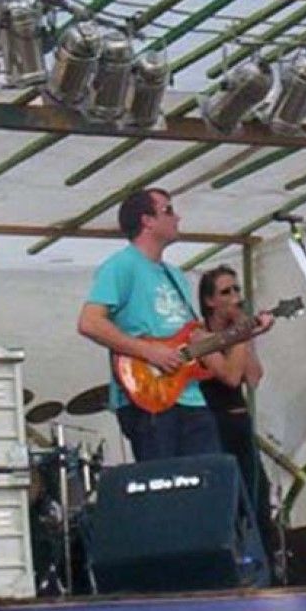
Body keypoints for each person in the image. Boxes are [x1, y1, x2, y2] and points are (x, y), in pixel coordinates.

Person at [78, 187, 223, 461]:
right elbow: (90, 322)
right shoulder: (121, 265)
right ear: (147, 221)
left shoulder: (175, 275)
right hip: (148, 395)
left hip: (190, 395)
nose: (177, 217)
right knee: (164, 481)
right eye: (168, 210)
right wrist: (149, 351)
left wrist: (237, 333)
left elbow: (190, 333)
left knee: (209, 477)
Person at [197, 264, 277, 572]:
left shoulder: (235, 337)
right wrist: (243, 333)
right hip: (216, 425)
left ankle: (267, 567)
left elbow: (253, 376)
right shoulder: (202, 337)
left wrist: (244, 336)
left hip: (240, 422)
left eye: (236, 290)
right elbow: (230, 377)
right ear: (210, 301)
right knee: (228, 500)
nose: (235, 297)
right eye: (226, 292)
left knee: (259, 495)